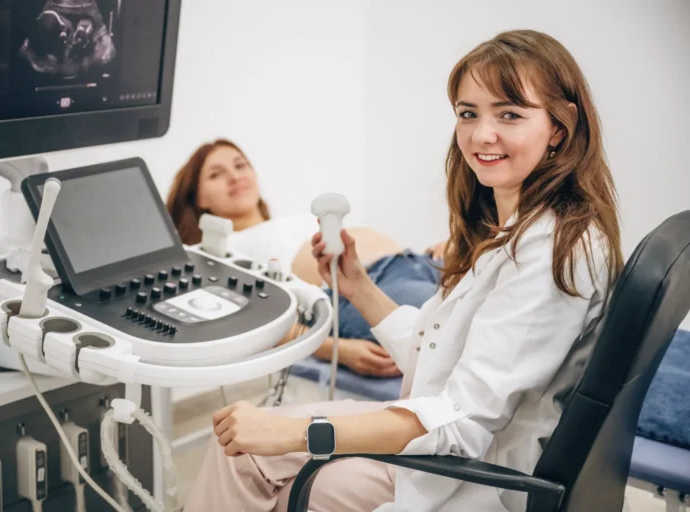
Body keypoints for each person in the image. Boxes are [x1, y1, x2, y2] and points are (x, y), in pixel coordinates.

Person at [182, 29, 624, 512]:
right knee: (254, 459)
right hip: (449, 443)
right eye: (468, 113)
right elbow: (445, 347)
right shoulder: (522, 227)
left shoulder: (550, 251)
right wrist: (357, 286)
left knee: (276, 473)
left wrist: (290, 432)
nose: (481, 135)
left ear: (560, 127)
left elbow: (461, 422)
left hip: (475, 477)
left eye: (510, 114)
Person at [166, 140, 446, 378]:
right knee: (464, 323)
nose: (235, 176)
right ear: (198, 197)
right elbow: (252, 325)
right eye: (216, 174)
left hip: (418, 262)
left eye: (240, 166)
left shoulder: (285, 221)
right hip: (365, 292)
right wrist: (337, 349)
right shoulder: (212, 252)